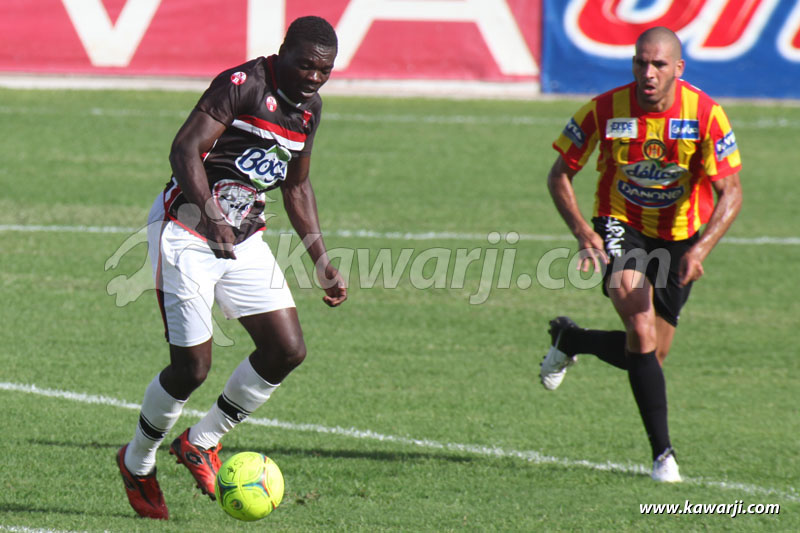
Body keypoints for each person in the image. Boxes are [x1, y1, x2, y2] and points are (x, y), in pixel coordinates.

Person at [116, 16, 347, 519]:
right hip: (188, 231)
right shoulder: (242, 85)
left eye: (324, 70)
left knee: (286, 349)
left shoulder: (310, 108)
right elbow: (185, 148)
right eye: (306, 64)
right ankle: (137, 461)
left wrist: (321, 260)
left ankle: (200, 443)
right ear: (282, 52)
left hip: (243, 237)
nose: (313, 77)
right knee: (191, 368)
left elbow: (296, 187)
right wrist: (213, 215)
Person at [540, 26, 742, 483]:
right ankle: (663, 456)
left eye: (658, 65)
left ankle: (571, 340)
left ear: (678, 69)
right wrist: (582, 232)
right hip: (620, 225)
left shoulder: (706, 114)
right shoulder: (603, 110)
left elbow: (731, 192)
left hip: (681, 237)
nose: (647, 73)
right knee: (640, 325)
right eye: (639, 63)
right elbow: (559, 175)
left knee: (651, 352)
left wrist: (701, 249)